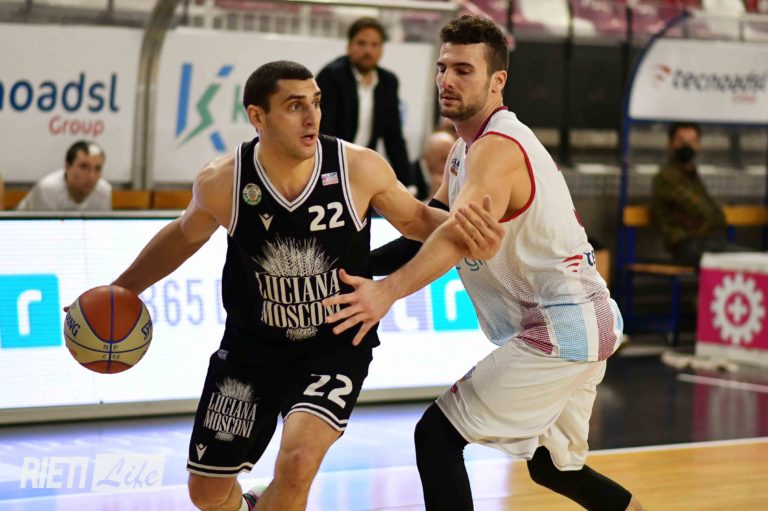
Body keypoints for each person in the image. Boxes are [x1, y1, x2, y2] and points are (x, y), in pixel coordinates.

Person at [104, 60, 499, 511]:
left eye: (316, 102)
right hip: (250, 350)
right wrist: (123, 289)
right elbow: (182, 237)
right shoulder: (224, 181)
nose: (312, 117)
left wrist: (477, 237)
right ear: (258, 116)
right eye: (295, 106)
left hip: (335, 347)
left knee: (296, 464)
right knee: (207, 493)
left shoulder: (357, 167)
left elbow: (416, 221)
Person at [324, 15, 644, 511]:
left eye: (463, 70)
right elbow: (424, 227)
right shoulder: (463, 150)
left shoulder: (497, 148)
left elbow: (454, 238)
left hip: (563, 327)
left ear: (498, 81)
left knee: (437, 435)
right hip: (583, 320)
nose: (447, 80)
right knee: (554, 467)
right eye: (442, 68)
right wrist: (345, 268)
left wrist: (384, 293)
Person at [315, 17, 413, 189]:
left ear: (382, 49)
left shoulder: (388, 81)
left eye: (374, 45)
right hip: (330, 167)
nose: (368, 50)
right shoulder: (330, 77)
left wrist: (408, 184)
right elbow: (324, 133)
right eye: (361, 43)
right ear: (348, 46)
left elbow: (394, 137)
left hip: (364, 168)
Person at [650, 122, 742, 266]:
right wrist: (708, 219)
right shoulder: (667, 177)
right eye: (681, 141)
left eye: (692, 141)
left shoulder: (692, 175)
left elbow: (717, 216)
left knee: (748, 258)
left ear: (698, 145)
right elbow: (701, 211)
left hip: (705, 242)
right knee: (747, 259)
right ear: (670, 144)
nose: (687, 146)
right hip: (684, 245)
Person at [17, 140, 111, 211]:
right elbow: (42, 229)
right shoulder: (48, 189)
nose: (91, 176)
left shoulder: (104, 191)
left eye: (98, 168)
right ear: (67, 167)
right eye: (83, 167)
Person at [413, 129, 457, 201]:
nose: (450, 165)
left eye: (452, 160)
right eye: (444, 159)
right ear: (427, 159)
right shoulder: (408, 178)